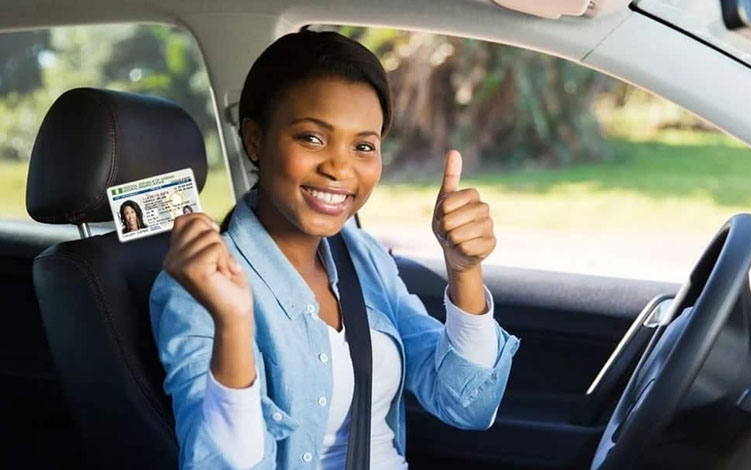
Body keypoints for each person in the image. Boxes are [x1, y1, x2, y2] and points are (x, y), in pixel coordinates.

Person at [150, 30, 520, 470]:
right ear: (254, 140)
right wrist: (232, 322)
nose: (340, 168)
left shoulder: (363, 256)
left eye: (363, 146)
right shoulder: (199, 289)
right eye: (312, 138)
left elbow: (465, 404)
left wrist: (464, 270)